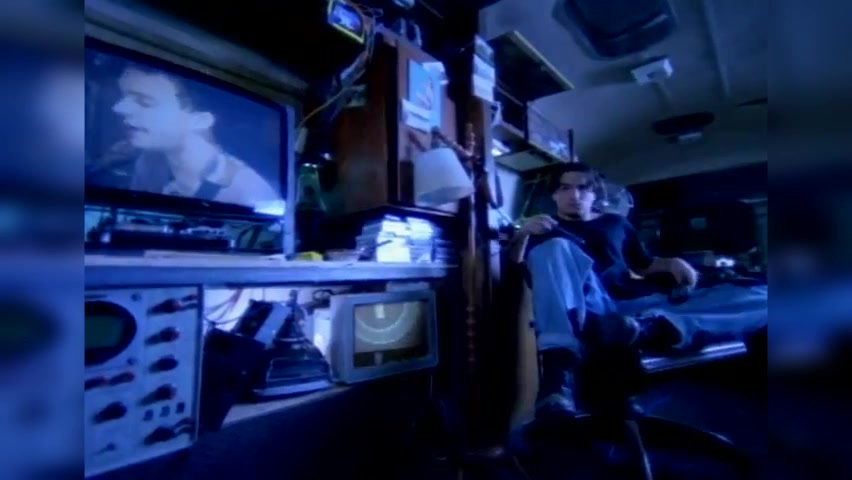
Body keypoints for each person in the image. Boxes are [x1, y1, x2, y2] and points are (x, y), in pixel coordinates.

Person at [509, 162, 767, 419]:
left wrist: (673, 263)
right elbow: (516, 267)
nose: (575, 195)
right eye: (565, 188)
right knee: (554, 247)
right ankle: (557, 377)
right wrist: (522, 235)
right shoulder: (544, 229)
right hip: (593, 306)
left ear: (595, 193)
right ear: (554, 194)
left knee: (761, 295)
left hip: (638, 306)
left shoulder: (616, 223)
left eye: (583, 188)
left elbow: (643, 265)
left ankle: (649, 327)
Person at [88, 63, 282, 211]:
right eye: (124, 97)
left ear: (200, 120)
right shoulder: (149, 161)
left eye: (144, 101)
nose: (119, 108)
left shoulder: (251, 193)